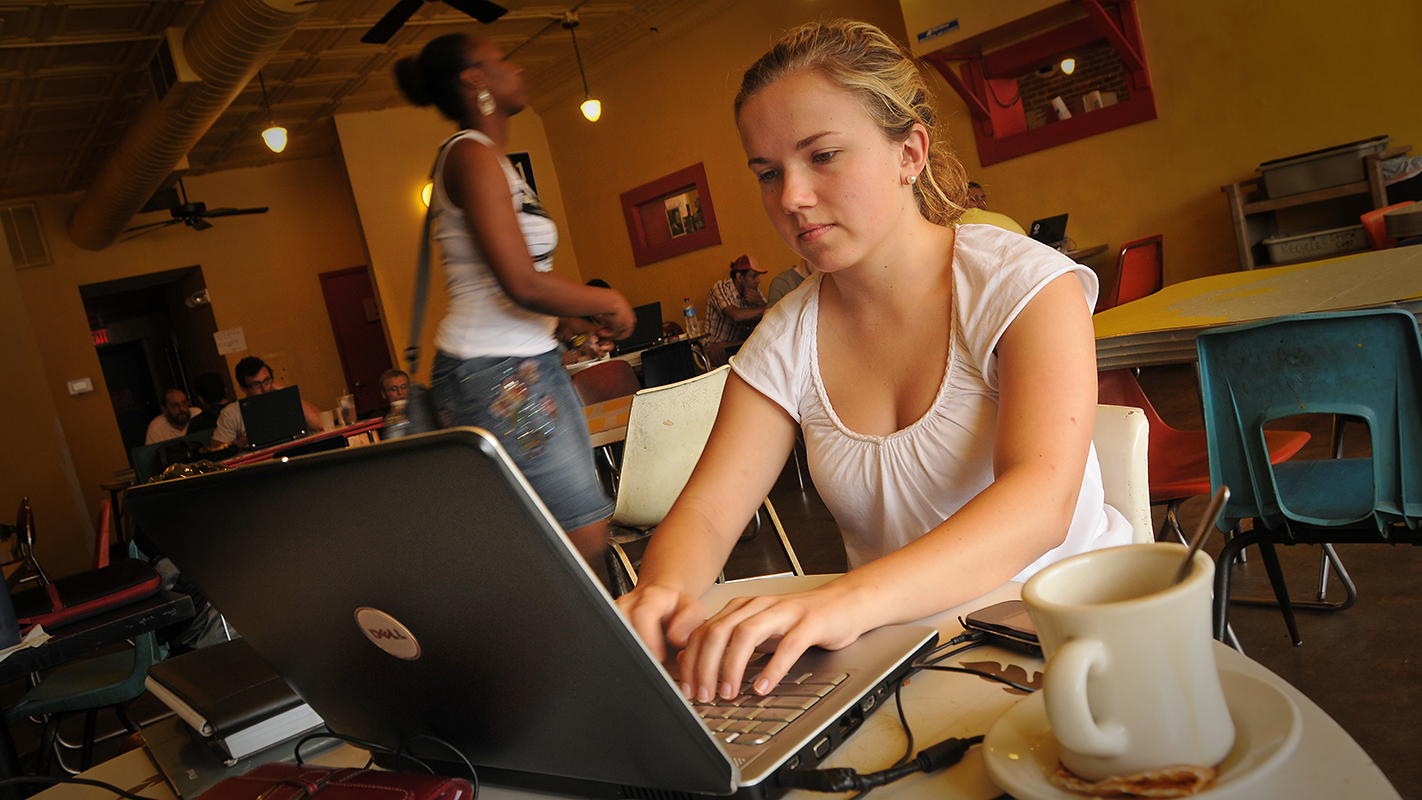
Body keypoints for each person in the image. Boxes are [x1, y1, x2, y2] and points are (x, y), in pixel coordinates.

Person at [617, 20, 1131, 706]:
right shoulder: (786, 335)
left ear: (909, 152)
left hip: (1071, 644)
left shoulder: (1022, 286)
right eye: (768, 173)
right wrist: (661, 596)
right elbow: (709, 514)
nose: (790, 197)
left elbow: (1042, 500)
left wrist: (841, 600)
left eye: (823, 155)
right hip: (913, 658)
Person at [394, 33, 636, 567]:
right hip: (497, 371)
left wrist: (571, 320)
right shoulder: (470, 156)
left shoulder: (496, 163)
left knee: (568, 527)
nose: (518, 66)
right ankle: (583, 646)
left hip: (520, 362)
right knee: (582, 530)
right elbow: (519, 282)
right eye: (502, 58)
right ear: (474, 79)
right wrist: (607, 297)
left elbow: (523, 284)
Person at [210, 356, 324, 448]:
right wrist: (244, 440)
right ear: (243, 389)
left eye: (267, 380)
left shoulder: (284, 399)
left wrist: (285, 391)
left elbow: (319, 424)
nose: (264, 388)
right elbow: (216, 448)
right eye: (256, 384)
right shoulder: (231, 412)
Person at [704, 254, 768, 366]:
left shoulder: (754, 292)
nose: (758, 281)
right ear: (739, 277)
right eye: (753, 276)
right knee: (756, 354)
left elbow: (769, 317)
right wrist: (763, 308)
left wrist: (760, 302)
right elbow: (736, 316)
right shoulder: (720, 287)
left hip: (736, 346)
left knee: (764, 347)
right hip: (714, 348)